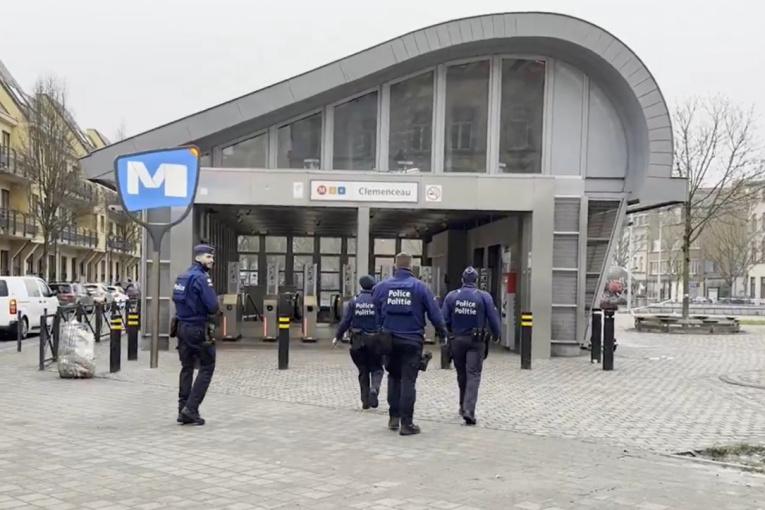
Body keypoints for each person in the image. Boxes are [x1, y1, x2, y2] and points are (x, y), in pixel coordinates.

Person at [373, 252, 447, 436]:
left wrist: (381, 326)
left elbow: (374, 309)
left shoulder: (382, 287)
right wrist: (443, 333)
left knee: (393, 377)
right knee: (408, 381)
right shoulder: (420, 287)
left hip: (389, 339)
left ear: (395, 265)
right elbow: (434, 314)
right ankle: (407, 424)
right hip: (412, 340)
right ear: (411, 266)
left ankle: (393, 418)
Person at [441, 267, 501, 426]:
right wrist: (496, 335)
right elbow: (493, 318)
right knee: (473, 374)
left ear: (462, 280)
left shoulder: (452, 296)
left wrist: (448, 334)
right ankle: (469, 409)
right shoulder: (483, 296)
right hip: (476, 341)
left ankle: (462, 405)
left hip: (457, 340)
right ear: (476, 281)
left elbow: (444, 319)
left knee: (461, 374)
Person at [171, 244, 219, 426]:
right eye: (208, 257)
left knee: (187, 367)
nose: (211, 260)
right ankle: (191, 409)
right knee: (207, 366)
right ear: (198, 258)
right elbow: (212, 306)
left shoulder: (183, 276)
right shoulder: (201, 278)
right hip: (197, 329)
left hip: (181, 327)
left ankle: (182, 409)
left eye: (212, 257)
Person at [333, 275, 383, 410]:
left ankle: (365, 401)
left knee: (363, 370)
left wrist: (337, 336)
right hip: (375, 339)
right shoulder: (378, 300)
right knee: (377, 368)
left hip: (357, 340)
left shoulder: (354, 301)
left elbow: (345, 321)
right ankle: (374, 389)